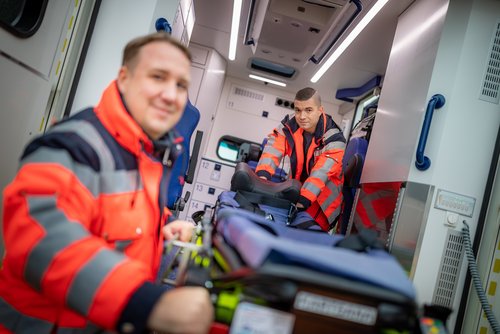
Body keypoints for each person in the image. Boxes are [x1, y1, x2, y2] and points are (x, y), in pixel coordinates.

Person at [0, 32, 213, 333]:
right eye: (158, 77)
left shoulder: (145, 152)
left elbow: (117, 216)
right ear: (124, 78)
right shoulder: (73, 146)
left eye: (181, 85)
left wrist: (160, 229)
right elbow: (40, 238)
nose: (171, 94)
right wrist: (145, 303)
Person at [255, 87, 346, 232]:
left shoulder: (335, 140)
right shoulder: (289, 125)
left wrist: (302, 201)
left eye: (308, 110)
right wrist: (261, 178)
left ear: (320, 110)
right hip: (298, 195)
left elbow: (321, 174)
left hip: (322, 206)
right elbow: (273, 147)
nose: (302, 116)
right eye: (298, 110)